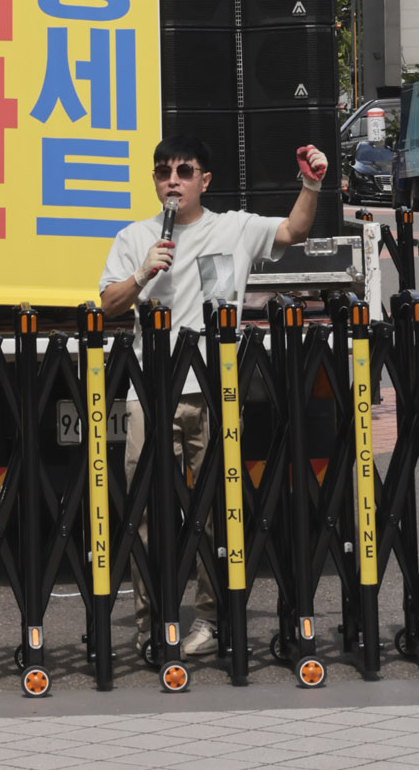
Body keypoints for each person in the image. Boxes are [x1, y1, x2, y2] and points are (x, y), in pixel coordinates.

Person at [99, 131, 329, 659]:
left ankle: (210, 618)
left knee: (218, 513)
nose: (172, 181)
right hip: (149, 393)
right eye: (163, 172)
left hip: (212, 391)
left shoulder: (234, 228)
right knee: (145, 512)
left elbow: (293, 231)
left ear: (204, 180)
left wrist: (311, 184)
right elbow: (109, 303)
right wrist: (142, 273)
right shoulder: (134, 237)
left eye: (184, 172)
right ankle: (152, 622)